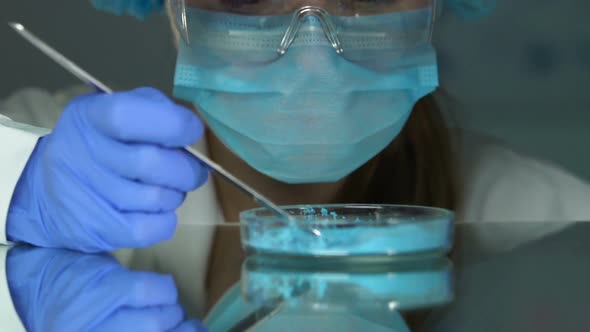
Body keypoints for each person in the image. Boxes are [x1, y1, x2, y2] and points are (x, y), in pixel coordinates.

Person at [1, 0, 589, 330]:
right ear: (170, 12)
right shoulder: (46, 150)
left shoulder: (529, 210)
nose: (312, 60)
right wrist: (17, 186)